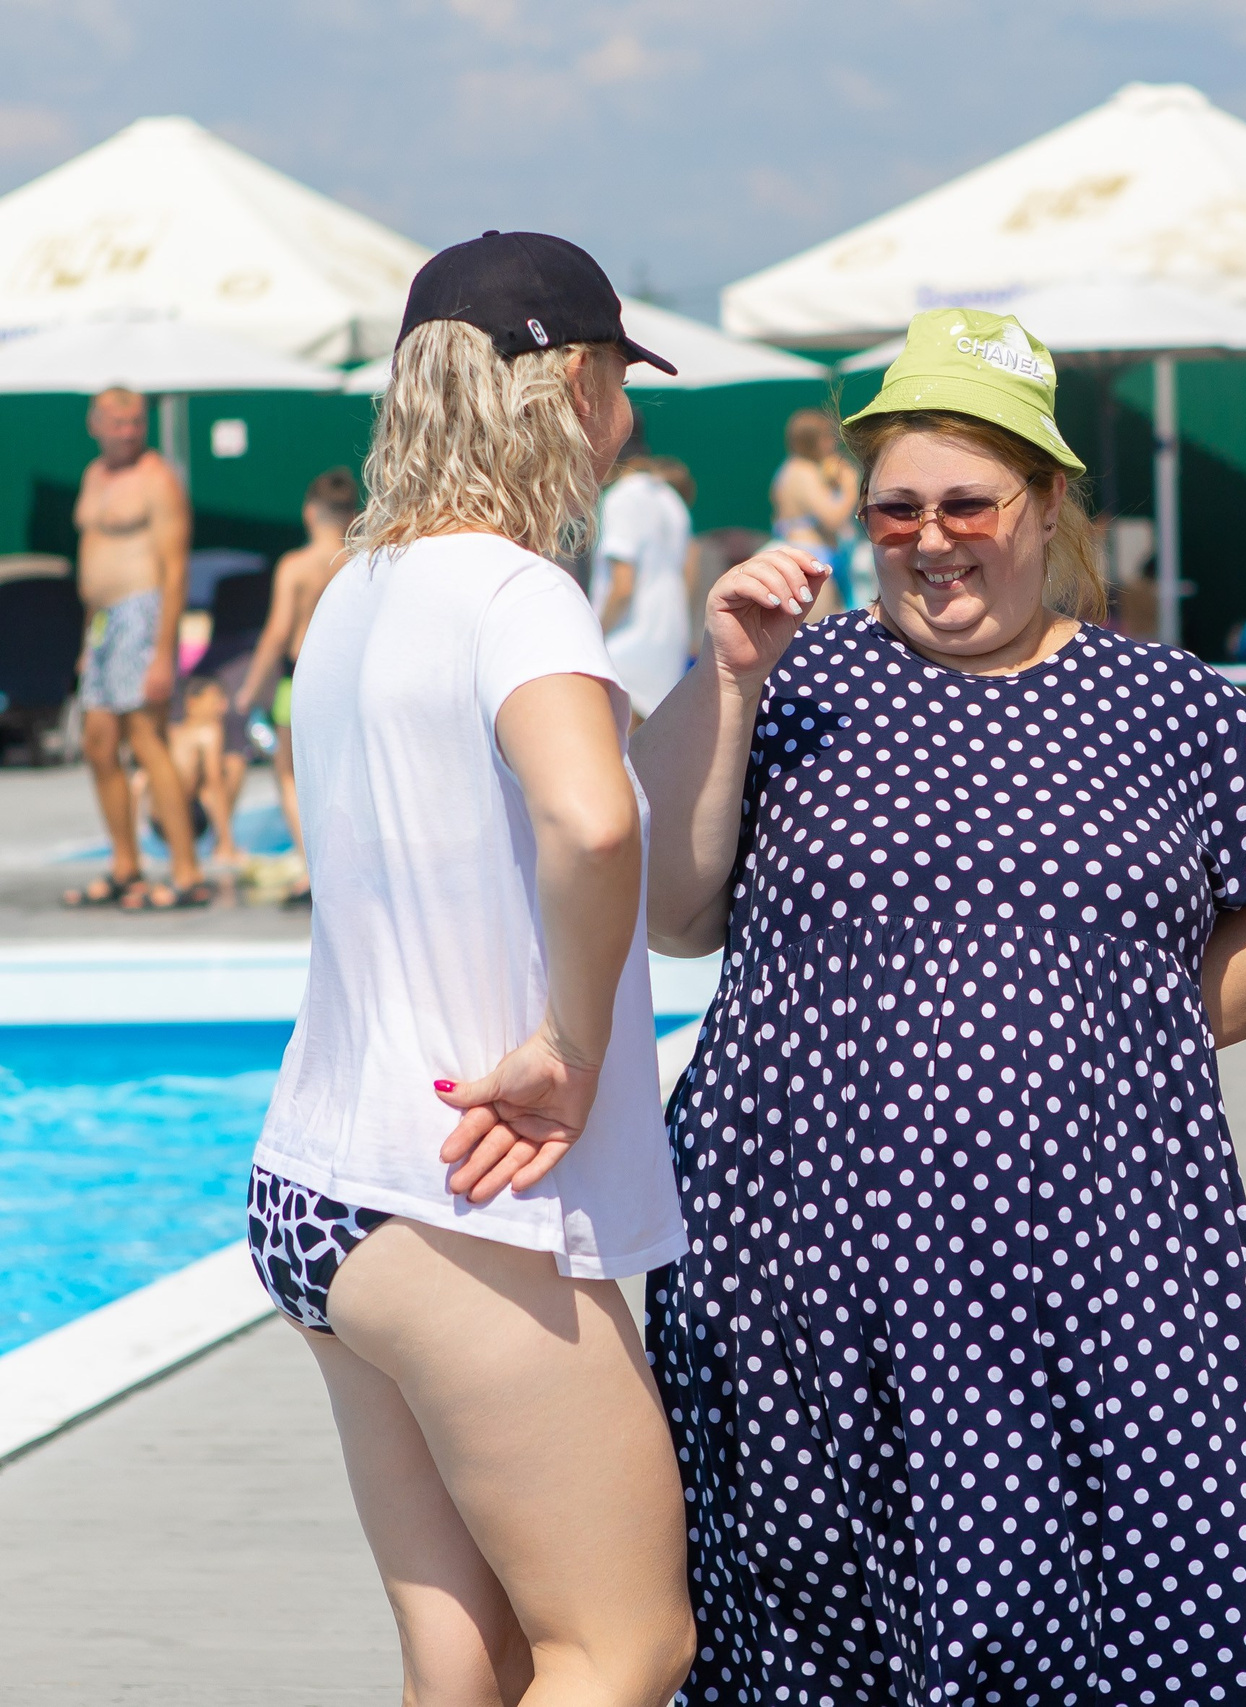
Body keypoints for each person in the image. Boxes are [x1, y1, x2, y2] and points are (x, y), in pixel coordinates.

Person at [631, 307, 1246, 1703]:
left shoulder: (1155, 699)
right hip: (806, 1280)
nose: (930, 538)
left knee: (1152, 1600)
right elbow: (675, 911)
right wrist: (727, 675)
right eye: (895, 508)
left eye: (967, 501)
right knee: (818, 1637)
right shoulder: (798, 677)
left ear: (1044, 505)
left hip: (1108, 1270)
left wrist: (1170, 1015)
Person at [244, 230, 697, 1706]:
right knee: (622, 1644)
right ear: (572, 382)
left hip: (317, 1181)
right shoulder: (518, 594)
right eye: (622, 378)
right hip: (458, 1194)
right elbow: (590, 812)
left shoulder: (355, 594)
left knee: (474, 1652)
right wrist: (569, 1043)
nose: (628, 414)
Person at [60, 387, 206, 912]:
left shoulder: (157, 480)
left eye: (136, 422)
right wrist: (85, 638)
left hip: (142, 616)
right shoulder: (94, 477)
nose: (128, 431)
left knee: (147, 739)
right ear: (94, 424)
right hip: (101, 623)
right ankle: (127, 867)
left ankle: (187, 872)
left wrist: (164, 651)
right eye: (117, 422)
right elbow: (91, 560)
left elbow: (175, 569)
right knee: (99, 744)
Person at [238, 467, 359, 905]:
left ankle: (312, 869)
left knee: (289, 774)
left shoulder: (296, 566)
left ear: (310, 512)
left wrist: (250, 689)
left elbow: (276, 632)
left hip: (300, 679)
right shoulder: (361, 559)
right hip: (350, 680)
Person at [592, 428, 693, 715]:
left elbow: (623, 587)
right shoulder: (670, 499)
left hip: (626, 646)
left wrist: (590, 634)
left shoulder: (621, 499)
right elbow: (688, 571)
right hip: (668, 640)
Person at [771, 404, 862, 611]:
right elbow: (833, 519)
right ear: (811, 441)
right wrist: (850, 486)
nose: (832, 443)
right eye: (827, 437)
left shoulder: (793, 469)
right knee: (824, 626)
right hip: (812, 557)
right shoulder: (803, 471)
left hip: (816, 553)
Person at [165, 675, 247, 870]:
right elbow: (214, 781)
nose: (222, 708)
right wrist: (228, 844)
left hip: (160, 818)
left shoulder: (172, 731)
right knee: (233, 767)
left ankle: (135, 851)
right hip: (184, 816)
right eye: (215, 701)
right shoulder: (209, 732)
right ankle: (224, 846)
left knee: (231, 765)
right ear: (193, 703)